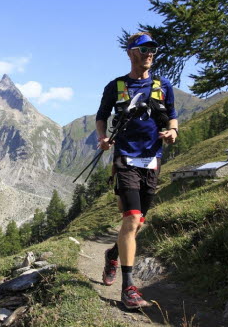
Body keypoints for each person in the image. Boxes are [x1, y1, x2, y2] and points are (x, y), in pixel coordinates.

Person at [95, 32, 178, 309]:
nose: (150, 53)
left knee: (138, 223)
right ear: (131, 52)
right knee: (131, 219)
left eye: (152, 49)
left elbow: (172, 114)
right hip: (126, 158)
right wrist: (103, 138)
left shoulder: (163, 85)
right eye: (144, 49)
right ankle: (128, 289)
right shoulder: (116, 86)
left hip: (152, 159)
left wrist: (172, 131)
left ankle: (112, 255)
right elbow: (101, 116)